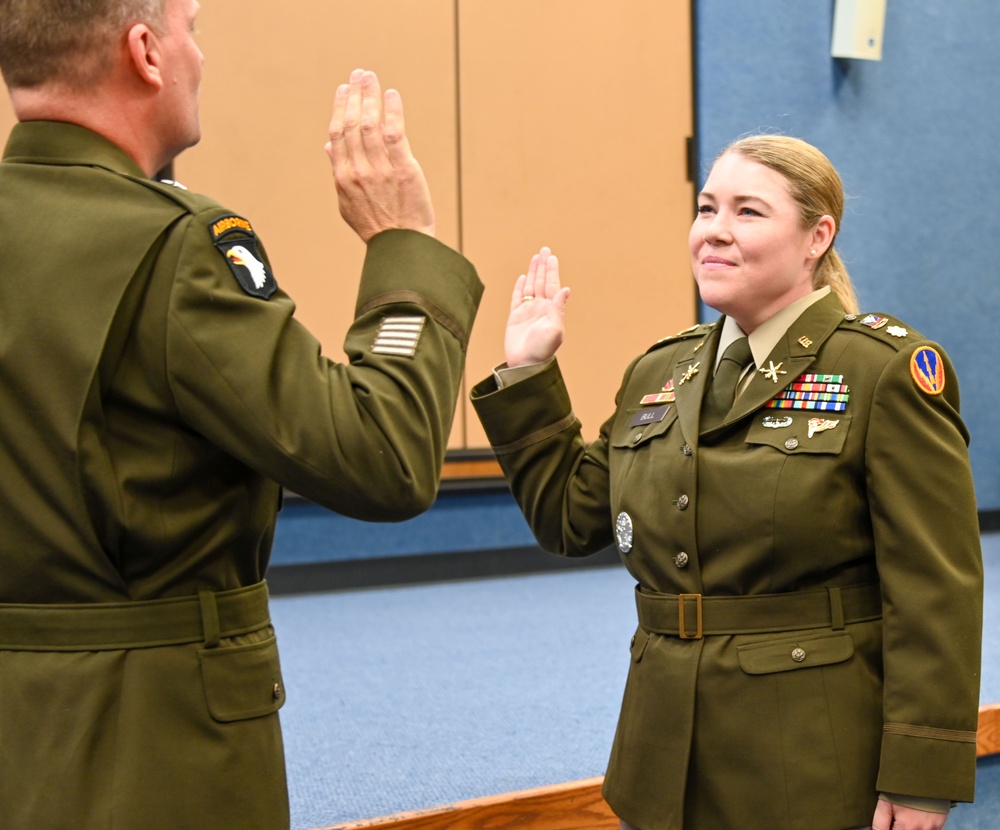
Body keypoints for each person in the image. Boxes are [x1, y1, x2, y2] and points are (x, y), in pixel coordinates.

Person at [0, 0, 482, 827]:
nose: (199, 56)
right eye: (193, 29)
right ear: (146, 52)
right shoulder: (175, 246)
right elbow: (381, 459)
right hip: (153, 742)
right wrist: (406, 245)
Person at [470, 135, 982, 830]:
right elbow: (569, 518)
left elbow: (935, 590)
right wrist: (529, 374)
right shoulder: (661, 371)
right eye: (707, 207)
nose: (715, 230)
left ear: (816, 237)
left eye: (748, 212)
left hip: (808, 757)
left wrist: (922, 775)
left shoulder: (881, 371)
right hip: (662, 754)